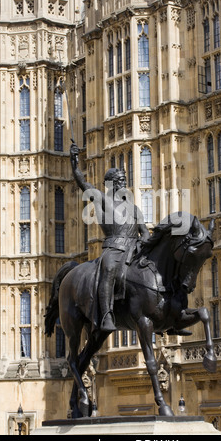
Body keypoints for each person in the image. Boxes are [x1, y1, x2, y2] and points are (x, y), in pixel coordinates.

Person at [70, 142, 150, 332]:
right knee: (108, 270)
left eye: (124, 180)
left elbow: (144, 231)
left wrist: (146, 241)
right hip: (114, 248)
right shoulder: (102, 200)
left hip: (134, 248)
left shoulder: (134, 208)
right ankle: (106, 315)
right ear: (112, 183)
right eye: (121, 180)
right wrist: (74, 163)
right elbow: (84, 183)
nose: (124, 184)